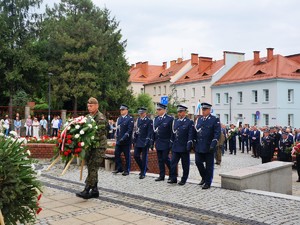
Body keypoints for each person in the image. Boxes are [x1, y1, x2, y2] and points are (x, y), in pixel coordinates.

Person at [76, 97, 108, 199]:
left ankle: (87, 190)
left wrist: (86, 140)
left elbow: (99, 134)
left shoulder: (101, 118)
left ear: (97, 106)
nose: (89, 108)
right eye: (88, 106)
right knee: (91, 167)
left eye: (91, 106)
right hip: (91, 147)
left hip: (99, 147)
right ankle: (95, 190)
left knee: (93, 168)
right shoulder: (87, 117)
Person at [194, 102, 221, 189]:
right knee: (198, 162)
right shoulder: (200, 119)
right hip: (199, 145)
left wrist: (213, 144)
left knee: (209, 165)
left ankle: (208, 182)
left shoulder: (214, 119)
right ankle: (204, 177)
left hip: (209, 145)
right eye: (202, 109)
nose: (203, 111)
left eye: (205, 109)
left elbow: (217, 133)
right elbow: (196, 131)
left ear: (209, 110)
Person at [168, 105, 194, 185]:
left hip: (184, 146)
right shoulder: (175, 121)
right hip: (176, 146)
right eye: (178, 112)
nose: (179, 113)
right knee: (173, 163)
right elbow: (173, 133)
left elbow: (190, 134)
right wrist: (171, 143)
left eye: (181, 112)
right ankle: (173, 178)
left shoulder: (189, 122)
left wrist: (189, 143)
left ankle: (184, 179)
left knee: (185, 164)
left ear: (185, 112)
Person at [152, 103, 174, 181]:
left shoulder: (169, 119)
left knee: (165, 158)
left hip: (166, 142)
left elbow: (172, 132)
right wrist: (152, 142)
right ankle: (162, 175)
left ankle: (172, 173)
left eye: (159, 109)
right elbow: (154, 132)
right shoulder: (156, 119)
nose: (158, 111)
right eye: (157, 109)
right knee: (160, 160)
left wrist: (171, 142)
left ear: (164, 110)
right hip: (158, 142)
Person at [112, 104, 134, 176]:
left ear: (126, 110)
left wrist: (124, 138)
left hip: (126, 141)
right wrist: (116, 136)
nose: (121, 111)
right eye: (121, 110)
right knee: (116, 154)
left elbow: (129, 130)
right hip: (119, 140)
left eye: (123, 110)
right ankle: (119, 168)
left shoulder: (130, 119)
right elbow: (118, 129)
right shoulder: (119, 119)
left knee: (127, 156)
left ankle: (127, 170)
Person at [133, 107, 153, 179]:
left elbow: (149, 132)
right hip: (138, 141)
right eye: (140, 113)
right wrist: (134, 140)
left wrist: (148, 140)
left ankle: (143, 172)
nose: (140, 114)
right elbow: (136, 131)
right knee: (136, 155)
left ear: (145, 113)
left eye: (142, 113)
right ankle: (143, 167)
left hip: (145, 141)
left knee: (144, 158)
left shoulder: (149, 121)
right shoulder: (138, 120)